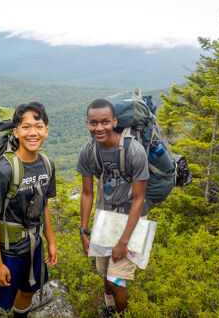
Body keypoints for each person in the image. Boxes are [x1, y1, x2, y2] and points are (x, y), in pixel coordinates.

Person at [0, 102, 59, 318]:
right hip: (8, 250)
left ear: (46, 131)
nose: (33, 132)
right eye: (25, 127)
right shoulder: (3, 171)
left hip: (34, 246)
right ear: (16, 132)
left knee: (28, 292)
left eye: (39, 126)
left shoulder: (47, 165)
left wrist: (51, 241)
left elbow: (44, 207)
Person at [76, 99, 150, 316]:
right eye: (93, 123)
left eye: (105, 122)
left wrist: (123, 242)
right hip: (105, 218)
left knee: (117, 280)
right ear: (87, 124)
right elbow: (87, 193)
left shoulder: (133, 150)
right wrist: (84, 231)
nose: (99, 128)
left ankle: (122, 314)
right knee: (104, 271)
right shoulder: (89, 151)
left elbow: (139, 199)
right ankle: (109, 308)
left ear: (114, 122)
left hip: (131, 219)